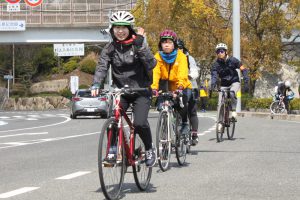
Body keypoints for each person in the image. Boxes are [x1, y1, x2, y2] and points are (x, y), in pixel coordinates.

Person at [91, 11, 157, 167]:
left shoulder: (138, 43)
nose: (120, 31)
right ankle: (113, 149)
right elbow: (102, 67)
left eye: (124, 27)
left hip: (141, 90)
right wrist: (96, 84)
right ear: (112, 29)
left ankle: (149, 149)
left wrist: (140, 45)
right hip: (121, 91)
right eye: (117, 27)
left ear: (130, 28)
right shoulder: (110, 48)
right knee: (113, 118)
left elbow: (151, 64)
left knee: (140, 123)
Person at [151, 29, 193, 138]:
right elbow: (155, 73)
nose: (166, 45)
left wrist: (179, 88)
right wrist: (154, 88)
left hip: (182, 85)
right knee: (161, 105)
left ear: (174, 44)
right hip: (166, 85)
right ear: (160, 44)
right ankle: (166, 125)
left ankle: (184, 123)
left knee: (182, 103)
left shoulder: (181, 56)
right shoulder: (157, 56)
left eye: (169, 42)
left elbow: (182, 73)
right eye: (164, 42)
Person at [210, 43, 249, 119]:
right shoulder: (215, 64)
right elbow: (214, 76)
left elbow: (244, 70)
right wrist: (213, 85)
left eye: (221, 51)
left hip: (234, 82)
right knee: (220, 102)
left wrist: (246, 82)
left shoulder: (233, 60)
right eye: (218, 52)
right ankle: (220, 122)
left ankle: (234, 110)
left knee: (232, 93)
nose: (220, 53)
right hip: (224, 84)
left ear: (226, 52)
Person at [177, 38, 199, 145]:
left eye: (180, 48)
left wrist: (189, 76)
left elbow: (195, 71)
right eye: (176, 48)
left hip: (191, 86)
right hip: (177, 87)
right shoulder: (171, 58)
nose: (178, 50)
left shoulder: (188, 58)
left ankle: (194, 134)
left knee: (192, 110)